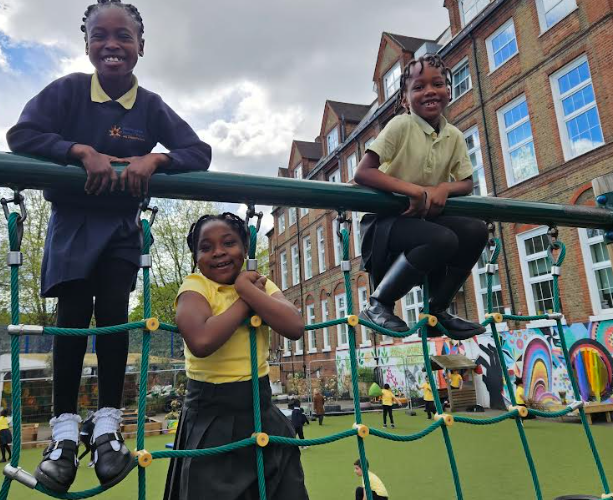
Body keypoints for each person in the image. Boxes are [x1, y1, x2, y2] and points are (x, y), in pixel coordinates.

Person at [6, 0, 211, 493]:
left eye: (124, 37)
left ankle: (107, 427)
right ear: (87, 45)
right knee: (73, 320)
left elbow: (198, 152)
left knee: (116, 317)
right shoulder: (69, 91)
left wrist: (155, 160)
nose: (112, 45)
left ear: (141, 46)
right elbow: (22, 135)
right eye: (100, 36)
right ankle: (62, 432)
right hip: (73, 225)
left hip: (120, 227)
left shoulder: (150, 105)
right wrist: (79, 151)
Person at [164, 213, 309, 500]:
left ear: (244, 249)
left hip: (259, 409)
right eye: (206, 247)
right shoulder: (196, 286)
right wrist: (245, 296)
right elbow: (201, 340)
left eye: (228, 243)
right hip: (211, 415)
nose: (218, 252)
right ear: (196, 258)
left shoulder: (261, 285)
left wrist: (248, 288)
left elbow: (294, 326)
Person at [354, 54, 488, 340]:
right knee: (442, 238)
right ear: (405, 99)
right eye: (418, 87)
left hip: (422, 220)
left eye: (437, 84)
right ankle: (378, 304)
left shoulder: (453, 135)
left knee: (476, 230)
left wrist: (443, 189)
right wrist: (413, 190)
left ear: (448, 90)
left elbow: (466, 182)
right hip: (385, 223)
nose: (429, 91)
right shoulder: (401, 125)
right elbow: (363, 172)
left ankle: (436, 313)